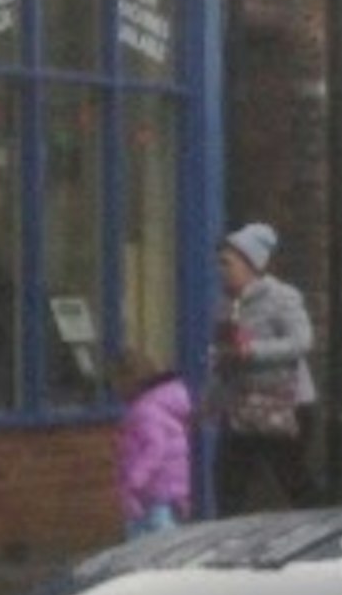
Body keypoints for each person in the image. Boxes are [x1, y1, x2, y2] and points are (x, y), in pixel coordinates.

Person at [211, 221, 318, 511]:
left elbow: (302, 341)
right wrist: (211, 397)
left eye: (227, 263)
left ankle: (318, 533)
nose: (221, 270)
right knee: (227, 481)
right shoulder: (225, 303)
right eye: (220, 263)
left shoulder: (281, 297)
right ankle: (229, 542)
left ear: (250, 264)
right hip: (242, 405)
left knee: (292, 479)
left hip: (285, 405)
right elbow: (225, 355)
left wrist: (252, 352)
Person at [111, 345, 195, 537]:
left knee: (155, 540)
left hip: (154, 491)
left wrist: (134, 479)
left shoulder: (144, 410)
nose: (115, 389)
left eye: (116, 382)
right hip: (168, 488)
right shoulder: (158, 406)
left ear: (130, 380)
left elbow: (155, 447)